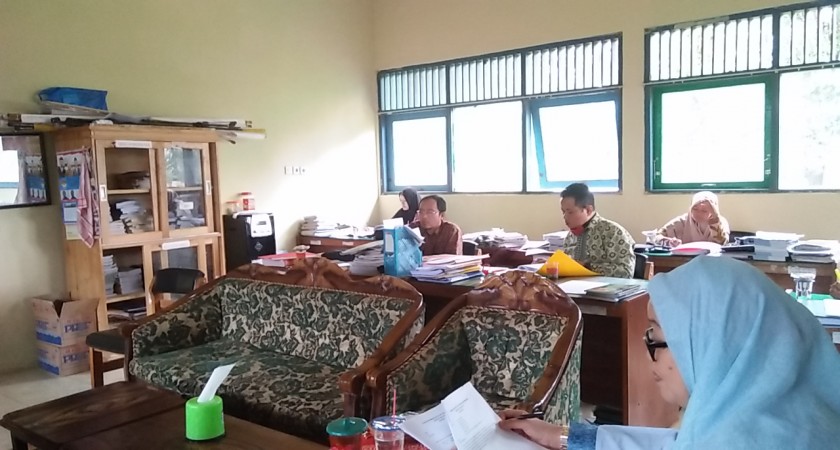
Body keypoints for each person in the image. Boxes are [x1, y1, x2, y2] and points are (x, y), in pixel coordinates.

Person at [499, 256, 840, 449]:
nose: (649, 351)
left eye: (658, 337)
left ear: (714, 344)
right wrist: (565, 436)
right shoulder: (765, 420)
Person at [560, 183, 635, 278]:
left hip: (607, 286)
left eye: (570, 212)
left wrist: (587, 267)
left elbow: (626, 271)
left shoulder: (612, 232)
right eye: (563, 212)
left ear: (588, 210)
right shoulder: (569, 237)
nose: (565, 217)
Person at [655, 191, 730, 247]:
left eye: (704, 211)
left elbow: (722, 243)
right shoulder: (682, 221)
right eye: (695, 209)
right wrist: (668, 242)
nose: (698, 213)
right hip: (683, 260)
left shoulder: (721, 222)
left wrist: (715, 221)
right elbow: (656, 237)